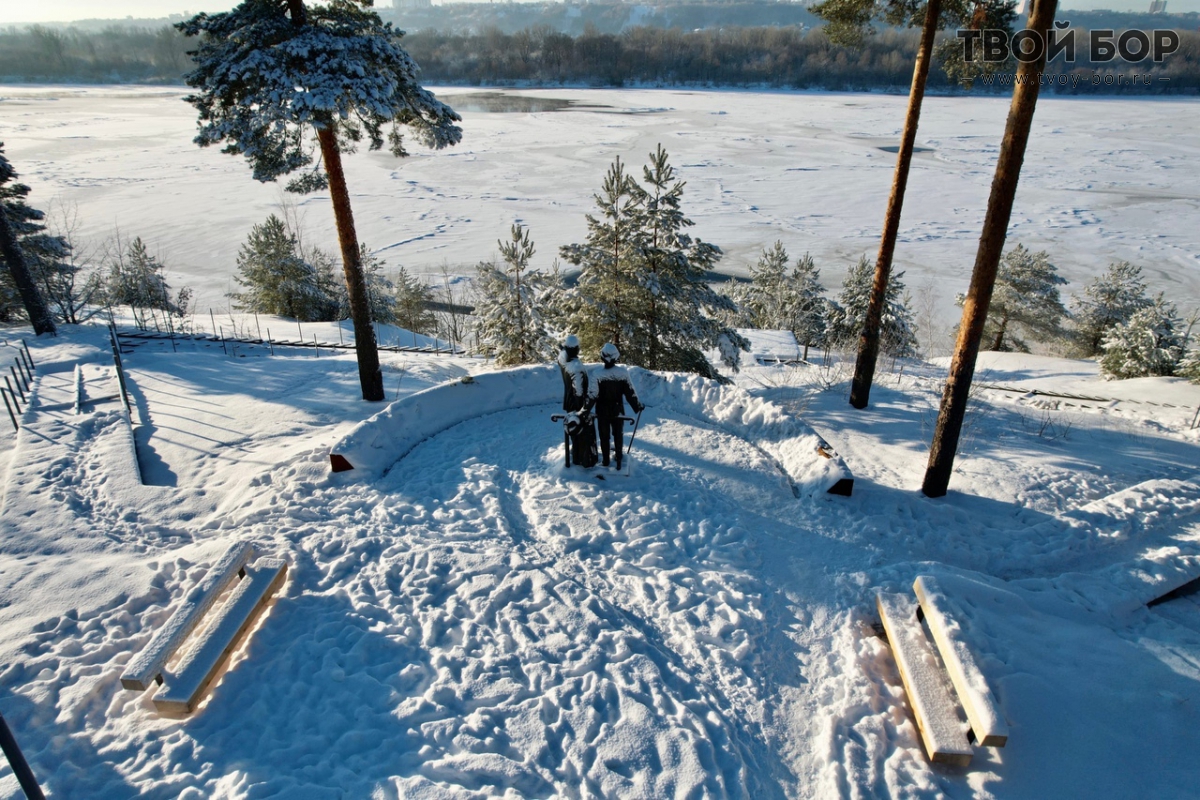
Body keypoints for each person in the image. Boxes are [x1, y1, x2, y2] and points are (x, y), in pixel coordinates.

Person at [585, 342, 644, 470]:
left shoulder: (597, 374)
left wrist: (585, 410)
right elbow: (630, 392)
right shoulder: (622, 373)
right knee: (618, 434)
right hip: (617, 410)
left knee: (604, 435)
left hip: (602, 411)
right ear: (616, 357)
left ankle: (606, 460)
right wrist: (637, 406)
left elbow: (592, 395)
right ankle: (618, 456)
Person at [557, 334, 596, 467]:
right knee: (581, 433)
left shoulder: (565, 362)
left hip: (569, 403)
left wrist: (563, 349)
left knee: (574, 434)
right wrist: (583, 411)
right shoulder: (576, 369)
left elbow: (561, 357)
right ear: (577, 349)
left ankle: (577, 455)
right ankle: (583, 459)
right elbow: (578, 392)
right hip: (577, 405)